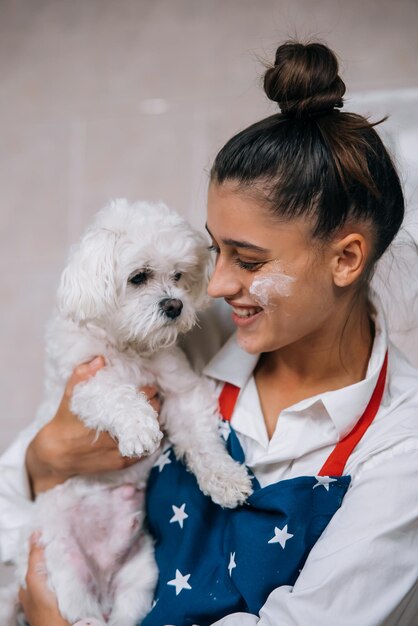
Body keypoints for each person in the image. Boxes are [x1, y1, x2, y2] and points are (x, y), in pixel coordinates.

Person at [3, 41, 418, 626]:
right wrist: (46, 458)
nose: (215, 284)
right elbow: (13, 491)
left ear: (346, 259)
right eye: (214, 250)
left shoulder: (402, 447)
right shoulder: (189, 334)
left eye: (247, 261)